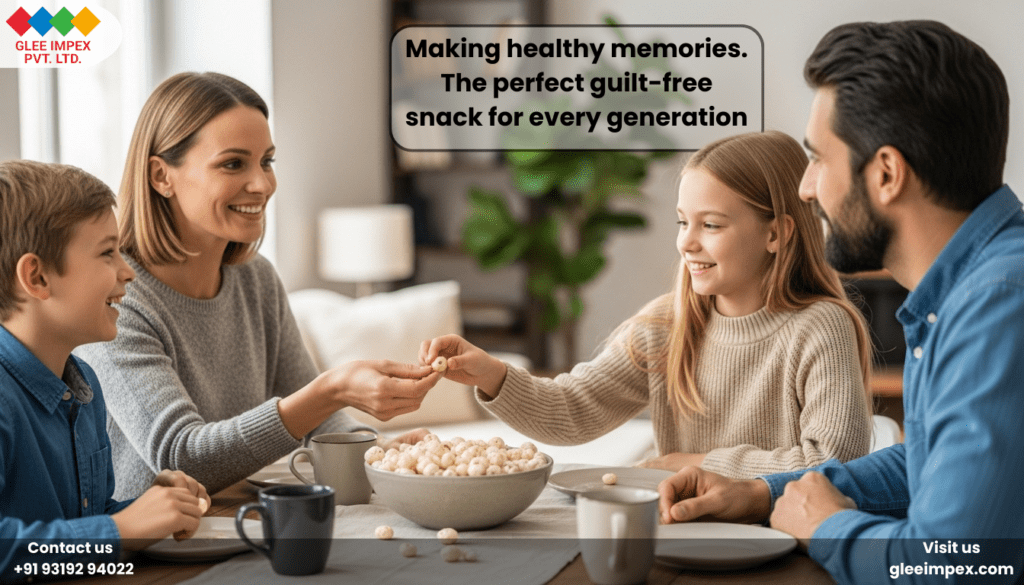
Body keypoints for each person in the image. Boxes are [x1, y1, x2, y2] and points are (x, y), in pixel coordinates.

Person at [657, 20, 1024, 584]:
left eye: (818, 159)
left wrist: (829, 527)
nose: (806, 188)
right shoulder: (972, 289)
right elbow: (932, 466)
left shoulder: (999, 306)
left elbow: (958, 566)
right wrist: (764, 493)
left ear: (885, 173)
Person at [421, 130, 873, 479]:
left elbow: (835, 464)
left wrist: (695, 465)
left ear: (776, 233)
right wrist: (492, 374)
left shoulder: (821, 328)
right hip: (685, 532)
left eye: (711, 225)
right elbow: (571, 410)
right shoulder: (665, 326)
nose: (687, 243)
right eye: (682, 222)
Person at [76, 72, 441, 499]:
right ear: (161, 176)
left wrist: (378, 453)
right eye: (233, 163)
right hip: (155, 552)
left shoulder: (256, 278)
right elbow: (180, 458)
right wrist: (331, 389)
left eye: (266, 161)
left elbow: (321, 421)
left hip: (237, 523)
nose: (262, 184)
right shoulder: (119, 298)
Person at [0, 161, 212, 578]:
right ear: (37, 276)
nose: (127, 270)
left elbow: (81, 523)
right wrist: (118, 531)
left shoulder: (84, 386)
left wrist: (150, 509)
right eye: (106, 253)